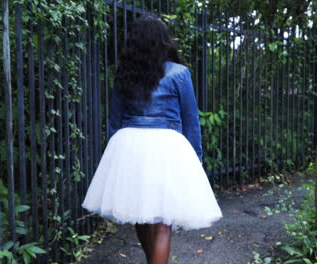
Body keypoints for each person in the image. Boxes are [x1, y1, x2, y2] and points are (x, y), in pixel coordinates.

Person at [81, 14, 222, 264]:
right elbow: (191, 120)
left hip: (128, 145)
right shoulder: (180, 73)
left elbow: (115, 119)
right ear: (163, 41)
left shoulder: (125, 74)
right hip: (167, 147)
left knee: (141, 214)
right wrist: (196, 158)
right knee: (162, 222)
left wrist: (115, 159)